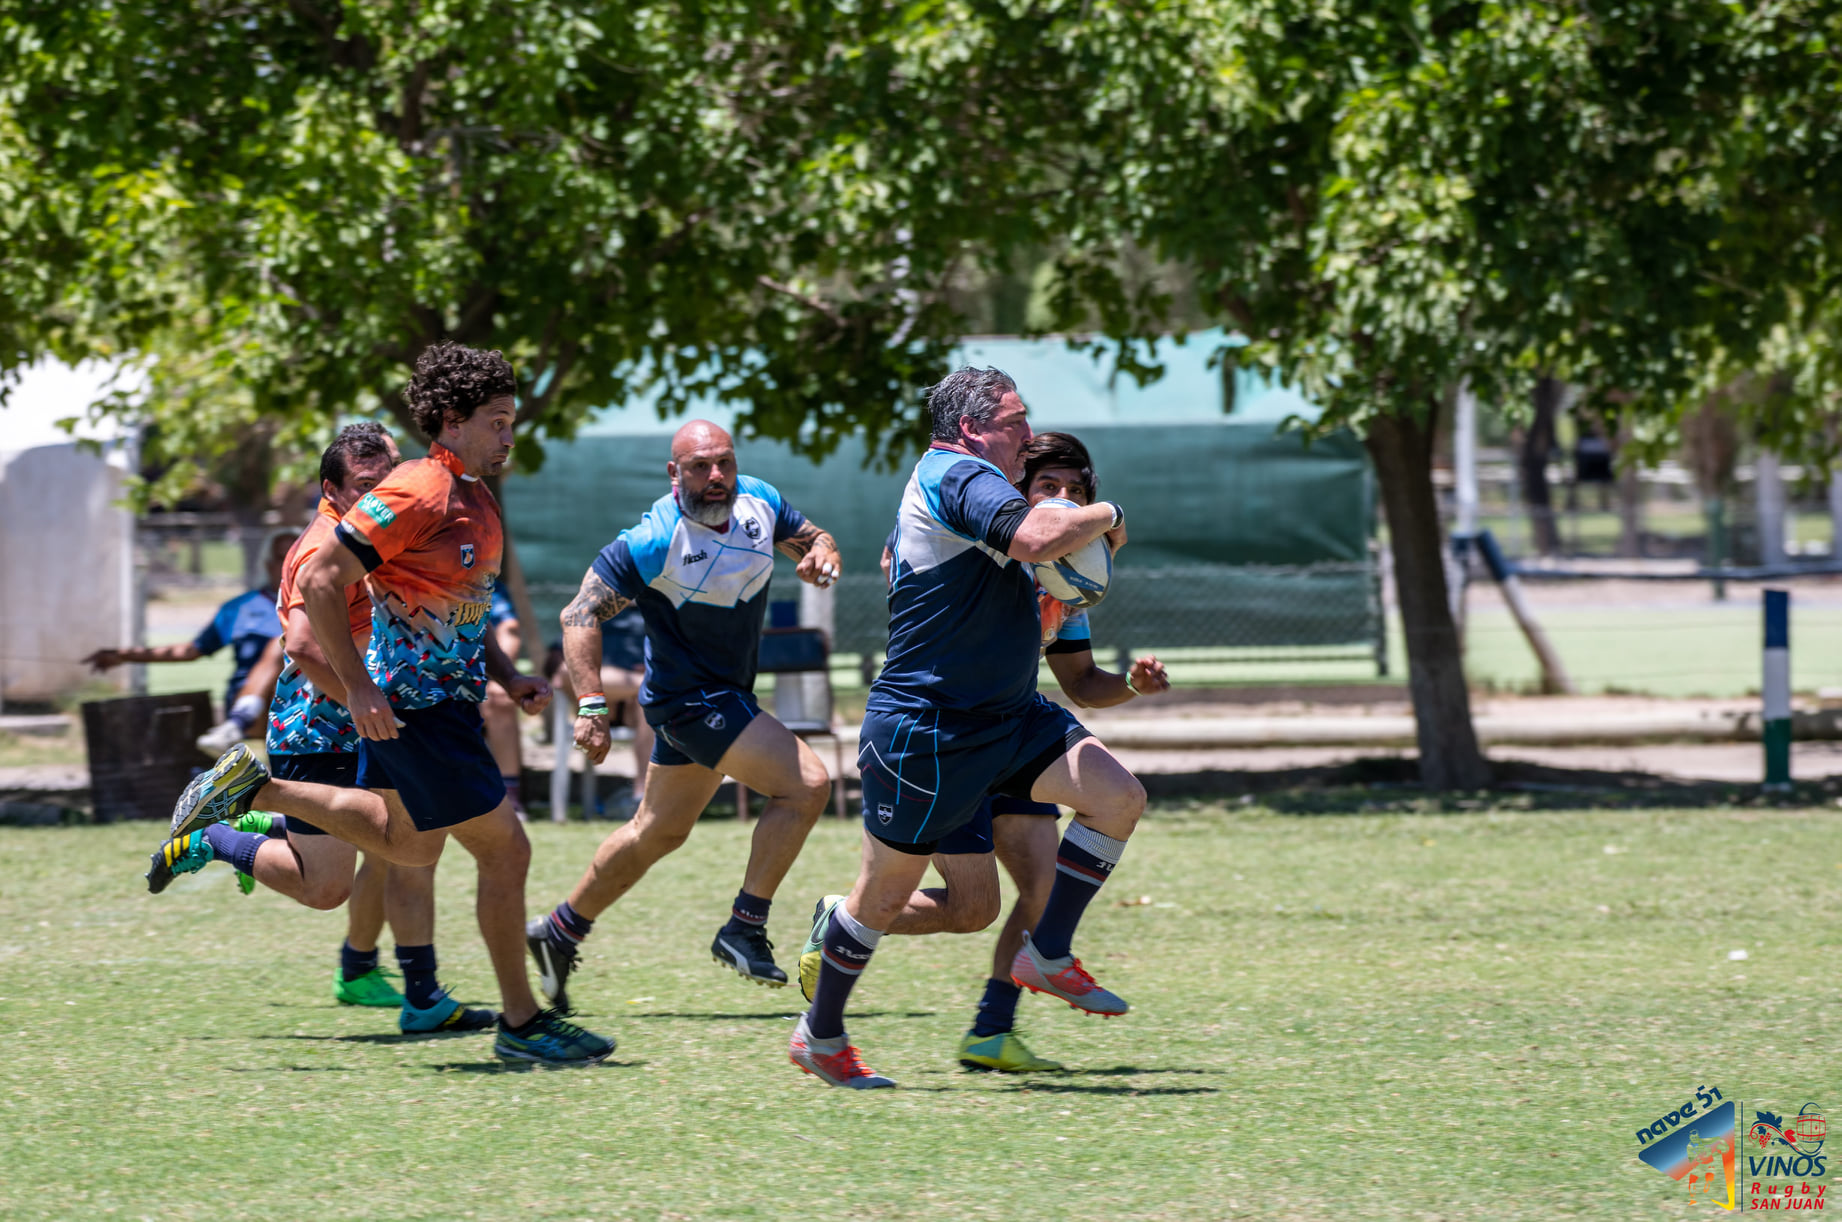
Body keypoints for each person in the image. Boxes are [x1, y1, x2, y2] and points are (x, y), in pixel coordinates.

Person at [149, 342, 615, 1066]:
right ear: (452, 421)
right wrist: (359, 687)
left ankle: (252, 789)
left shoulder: (473, 495)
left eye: (511, 420)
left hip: (441, 704)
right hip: (420, 709)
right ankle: (522, 1024)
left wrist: (507, 672)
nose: (509, 436)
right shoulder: (418, 489)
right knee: (506, 850)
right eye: (497, 421)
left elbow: (462, 608)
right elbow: (325, 580)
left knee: (409, 848)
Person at [789, 368, 1147, 1089]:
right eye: (1016, 422)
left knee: (1115, 798)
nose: (1026, 435)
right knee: (891, 896)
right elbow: (1037, 537)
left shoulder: (980, 486)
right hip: (930, 730)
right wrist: (1105, 513)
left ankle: (1047, 952)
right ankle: (820, 1035)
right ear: (975, 428)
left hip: (1008, 715)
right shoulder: (958, 474)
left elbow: (1040, 565)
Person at [525, 419, 840, 1013]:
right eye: (699, 466)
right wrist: (591, 703)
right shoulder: (652, 539)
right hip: (690, 701)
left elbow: (815, 536)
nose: (715, 476)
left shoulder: (761, 503)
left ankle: (559, 933)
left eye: (724, 462)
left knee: (657, 831)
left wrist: (822, 555)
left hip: (723, 697)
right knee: (808, 786)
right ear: (675, 474)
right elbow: (578, 615)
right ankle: (744, 927)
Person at [222, 422, 478, 1028]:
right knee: (326, 887)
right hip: (320, 728)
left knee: (412, 848)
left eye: (389, 479)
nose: (379, 493)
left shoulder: (386, 535)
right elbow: (306, 647)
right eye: (365, 485)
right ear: (330, 489)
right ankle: (220, 834)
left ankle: (417, 993)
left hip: (377, 722)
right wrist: (363, 700)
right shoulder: (319, 548)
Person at [85, 531, 291, 752]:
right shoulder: (239, 608)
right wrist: (124, 655)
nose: (289, 565)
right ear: (269, 564)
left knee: (288, 643)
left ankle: (242, 730)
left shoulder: (319, 607)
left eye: (295, 557)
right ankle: (240, 718)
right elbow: (191, 650)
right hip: (258, 704)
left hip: (306, 697)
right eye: (282, 558)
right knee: (283, 642)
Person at [545, 606, 655, 819]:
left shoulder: (658, 610)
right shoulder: (589, 607)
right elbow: (555, 667)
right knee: (566, 671)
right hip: (595, 697)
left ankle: (642, 798)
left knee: (650, 697)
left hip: (637, 704)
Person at [479, 580, 529, 818]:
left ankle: (508, 796)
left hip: (477, 681)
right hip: (420, 680)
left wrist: (501, 678)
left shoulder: (483, 581)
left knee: (500, 698)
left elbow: (509, 628)